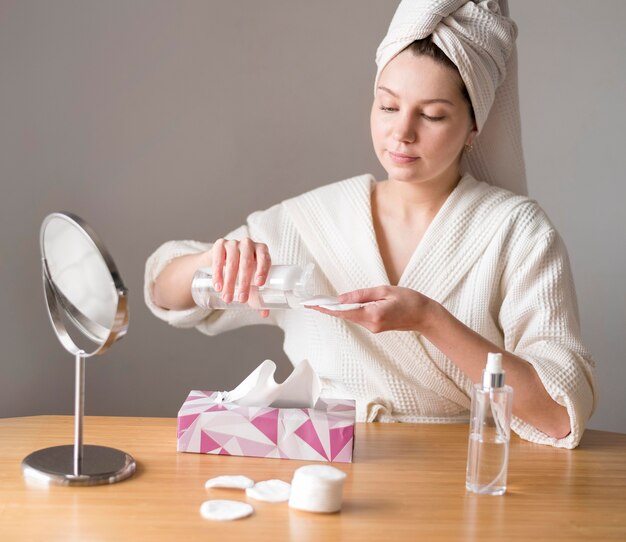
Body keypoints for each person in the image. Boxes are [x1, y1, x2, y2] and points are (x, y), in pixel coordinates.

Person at [144, 0, 596, 448]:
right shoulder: (313, 221)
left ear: (475, 126)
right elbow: (164, 291)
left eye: (433, 115)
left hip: (463, 476)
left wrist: (428, 320)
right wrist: (213, 260)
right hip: (325, 461)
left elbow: (558, 414)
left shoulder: (517, 231)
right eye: (387, 107)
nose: (402, 132)